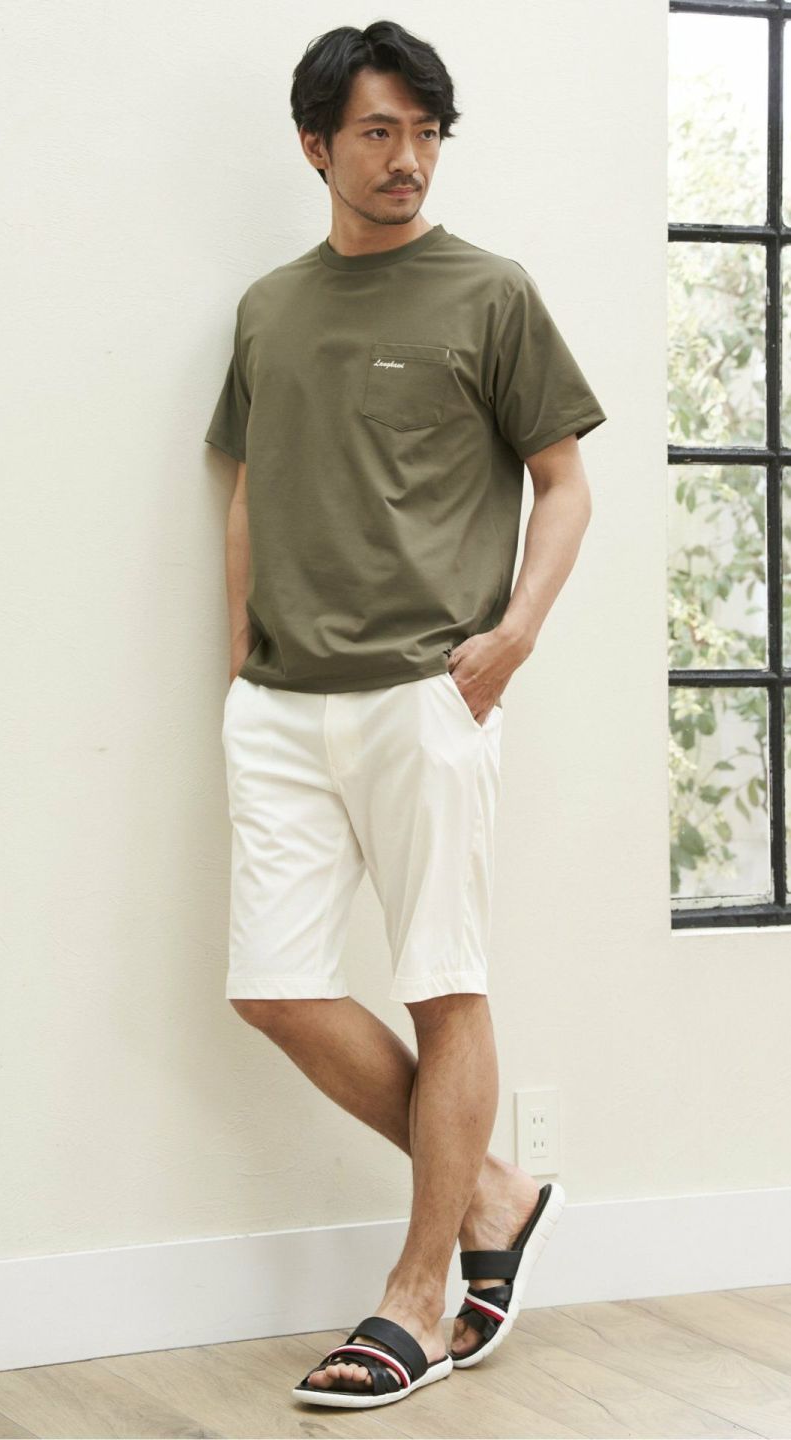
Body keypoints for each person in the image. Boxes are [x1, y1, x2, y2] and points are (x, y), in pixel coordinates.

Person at [204, 19, 607, 1411]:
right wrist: (237, 664)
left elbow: (564, 483)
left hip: (427, 693)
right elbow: (249, 486)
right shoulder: (269, 308)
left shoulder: (490, 292)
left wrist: (513, 638)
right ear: (315, 144)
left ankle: (420, 1297)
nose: (407, 160)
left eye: (426, 133)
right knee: (274, 988)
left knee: (442, 980)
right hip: (280, 703)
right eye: (378, 132)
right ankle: (493, 1193)